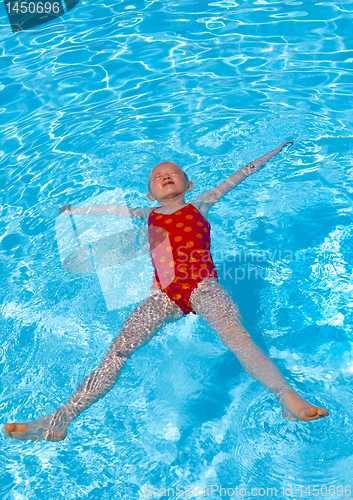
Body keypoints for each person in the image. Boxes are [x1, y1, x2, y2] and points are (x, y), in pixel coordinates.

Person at [4, 141, 329, 442]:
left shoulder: (201, 204)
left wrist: (273, 152)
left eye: (173, 173)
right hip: (161, 296)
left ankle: (285, 397)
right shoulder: (147, 214)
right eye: (157, 176)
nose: (165, 175)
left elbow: (239, 175)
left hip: (203, 287)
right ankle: (61, 418)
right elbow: (111, 210)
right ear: (150, 195)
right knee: (117, 352)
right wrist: (75, 212)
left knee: (238, 337)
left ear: (189, 186)